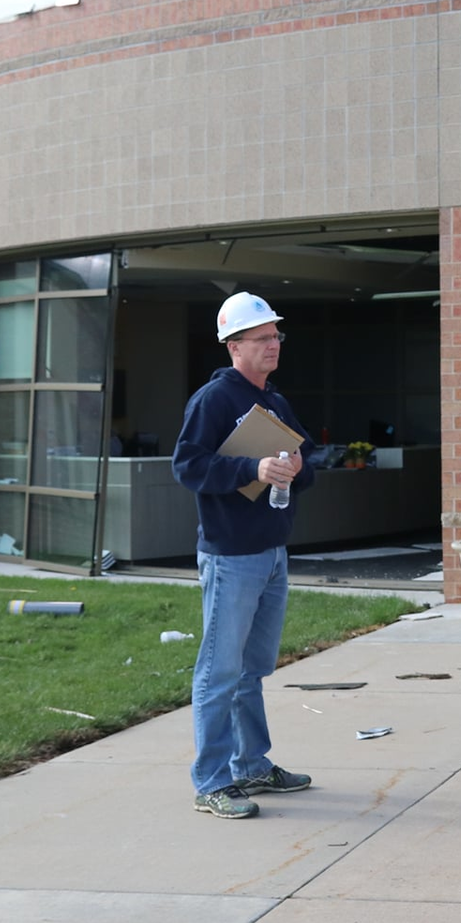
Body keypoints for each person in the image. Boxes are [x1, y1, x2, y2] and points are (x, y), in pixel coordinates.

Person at [171, 292, 316, 819]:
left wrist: (297, 468)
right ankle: (211, 781)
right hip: (231, 555)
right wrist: (250, 471)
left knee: (251, 669)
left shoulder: (275, 401)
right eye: (261, 337)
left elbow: (307, 462)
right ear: (234, 346)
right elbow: (187, 467)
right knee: (219, 671)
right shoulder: (213, 400)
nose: (273, 344)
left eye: (276, 335)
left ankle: (251, 765)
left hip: (272, 551)